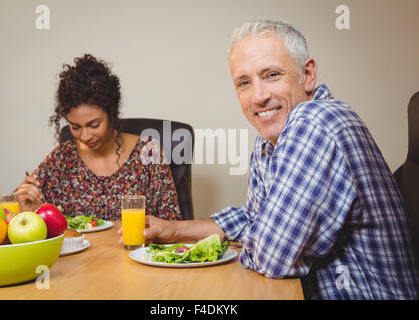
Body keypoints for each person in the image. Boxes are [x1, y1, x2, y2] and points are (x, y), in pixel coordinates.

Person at [119, 20, 419, 299]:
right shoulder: (270, 138)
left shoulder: (315, 121)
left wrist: (264, 235)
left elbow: (273, 257)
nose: (258, 96)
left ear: (308, 74)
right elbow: (255, 217)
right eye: (244, 83)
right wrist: (175, 230)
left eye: (271, 75)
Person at [17, 54, 181, 221]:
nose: (85, 136)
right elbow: (28, 220)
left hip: (133, 247)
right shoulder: (62, 158)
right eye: (75, 127)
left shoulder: (149, 152)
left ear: (111, 114)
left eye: (94, 125)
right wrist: (29, 207)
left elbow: (172, 224)